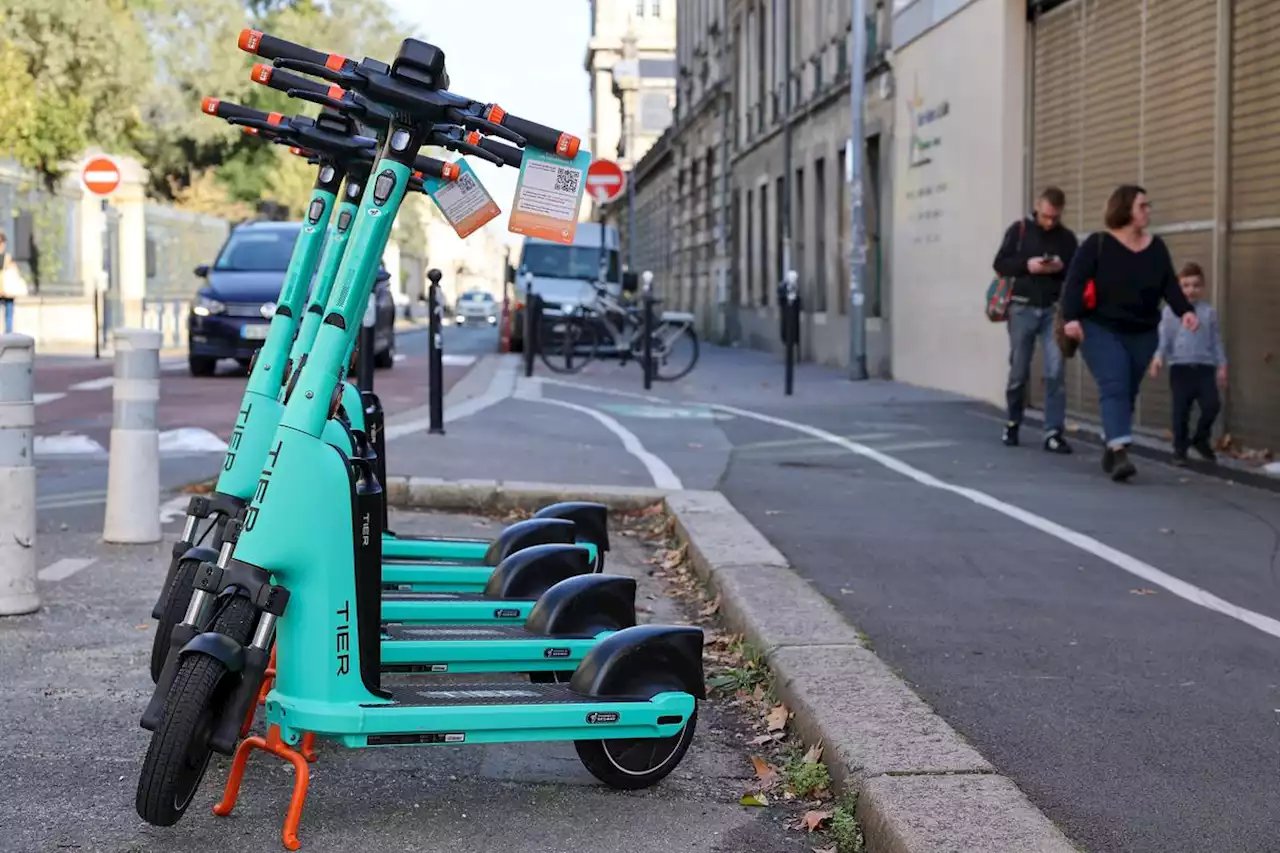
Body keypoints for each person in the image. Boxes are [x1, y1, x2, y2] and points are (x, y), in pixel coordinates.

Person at [1060, 185, 1198, 482]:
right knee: (1114, 382)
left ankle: (1113, 442)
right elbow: (1074, 283)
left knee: (1128, 389)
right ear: (1126, 210)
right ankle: (1121, 453)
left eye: (1148, 205)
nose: (1148, 210)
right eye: (1142, 206)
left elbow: (1169, 286)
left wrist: (1186, 311)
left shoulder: (1156, 247)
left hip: (1143, 331)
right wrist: (1070, 319)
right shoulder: (1097, 244)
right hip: (1099, 327)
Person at [992, 186, 1079, 453]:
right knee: (1019, 370)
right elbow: (1000, 264)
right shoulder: (1019, 230)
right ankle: (1012, 423)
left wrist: (1060, 267)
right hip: (1021, 308)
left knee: (1055, 372)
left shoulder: (1066, 238)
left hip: (1053, 310)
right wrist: (1026, 265)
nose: (1049, 222)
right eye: (1045, 216)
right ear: (1037, 207)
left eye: (1054, 217)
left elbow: (1077, 274)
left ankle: (1053, 431)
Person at [1149, 261, 1227, 465]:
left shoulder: (1208, 312)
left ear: (1203, 287)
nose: (1191, 290)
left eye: (1196, 285)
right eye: (1186, 285)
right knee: (1181, 411)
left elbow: (1216, 340)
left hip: (1204, 367)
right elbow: (1163, 338)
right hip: (1180, 368)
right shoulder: (1170, 312)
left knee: (1212, 405)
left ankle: (1201, 439)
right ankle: (1179, 448)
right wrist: (1158, 358)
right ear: (1178, 287)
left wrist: (1222, 365)